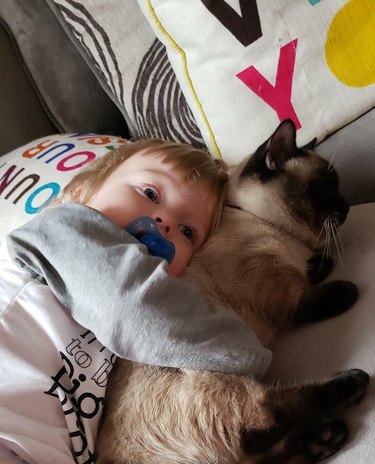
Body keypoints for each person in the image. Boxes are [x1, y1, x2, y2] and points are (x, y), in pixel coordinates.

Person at [0, 139, 272, 463]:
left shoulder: (127, 342)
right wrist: (250, 353)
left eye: (187, 232)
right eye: (151, 194)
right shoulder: (63, 227)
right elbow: (134, 308)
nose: (165, 222)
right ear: (83, 191)